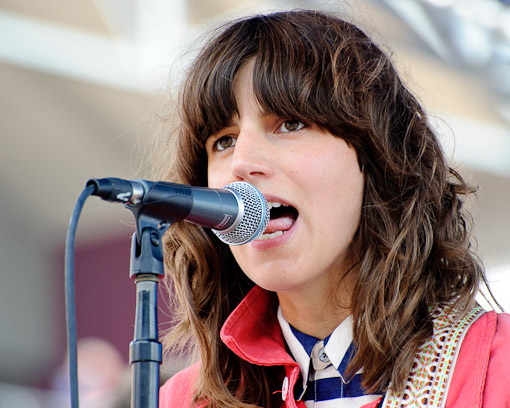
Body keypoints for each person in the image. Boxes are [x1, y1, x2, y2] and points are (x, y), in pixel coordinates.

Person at [157, 9, 510, 408]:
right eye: (223, 140)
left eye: (289, 123)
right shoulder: (183, 399)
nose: (241, 162)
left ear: (376, 155)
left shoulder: (500, 368)